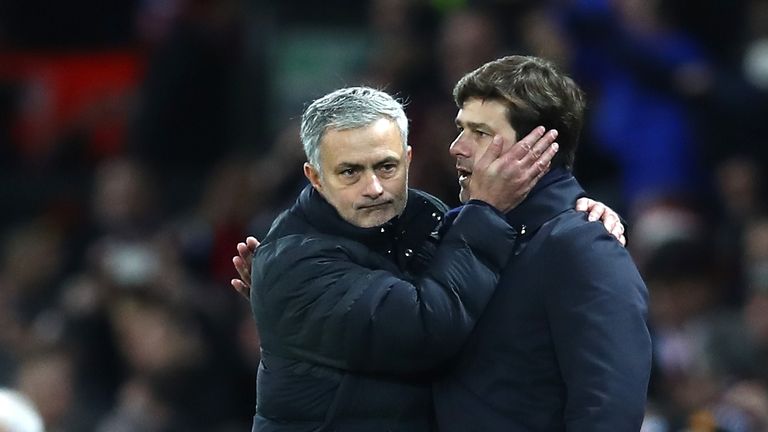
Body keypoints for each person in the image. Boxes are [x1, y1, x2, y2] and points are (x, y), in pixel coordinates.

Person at [233, 85, 625, 431]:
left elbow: (501, 280)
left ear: (408, 158)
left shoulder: (429, 218)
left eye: (386, 167)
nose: (373, 188)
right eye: (349, 172)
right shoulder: (293, 263)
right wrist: (486, 209)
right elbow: (427, 329)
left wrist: (578, 217)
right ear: (315, 177)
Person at [432, 55, 651, 431]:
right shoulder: (458, 234)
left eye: (480, 133)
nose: (457, 147)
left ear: (538, 148)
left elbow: (609, 410)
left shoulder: (582, 245)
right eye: (460, 128)